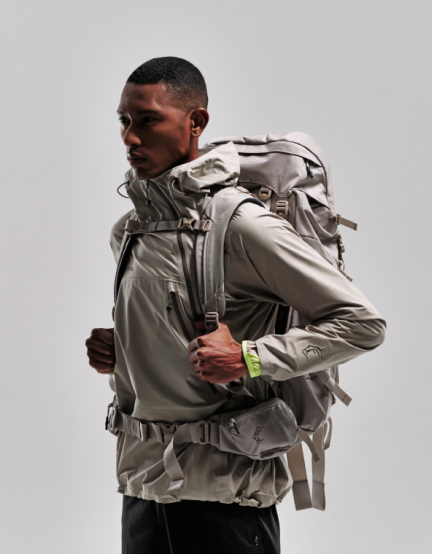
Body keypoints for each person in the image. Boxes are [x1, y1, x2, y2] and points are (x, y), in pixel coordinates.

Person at [85, 56, 386, 554]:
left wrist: (250, 357)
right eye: (124, 120)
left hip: (226, 500)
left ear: (196, 122)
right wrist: (128, 349)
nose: (130, 138)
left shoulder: (242, 226)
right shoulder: (131, 230)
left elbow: (362, 324)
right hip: (143, 488)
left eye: (148, 120)